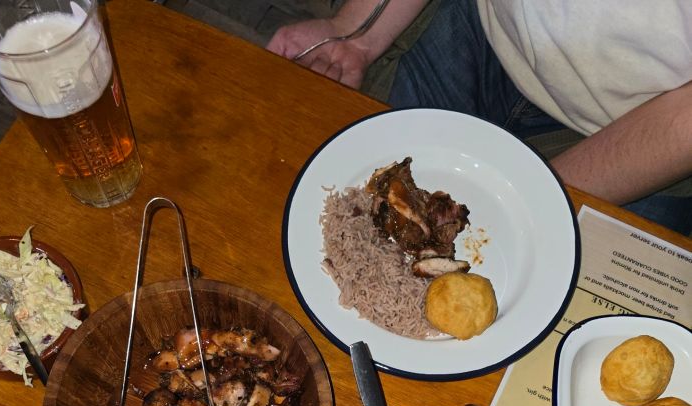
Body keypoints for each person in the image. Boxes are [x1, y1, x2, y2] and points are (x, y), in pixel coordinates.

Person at [267, 0, 692, 235]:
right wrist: (357, 33)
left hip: (647, 135)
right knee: (323, 204)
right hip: (480, 29)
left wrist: (535, 196)